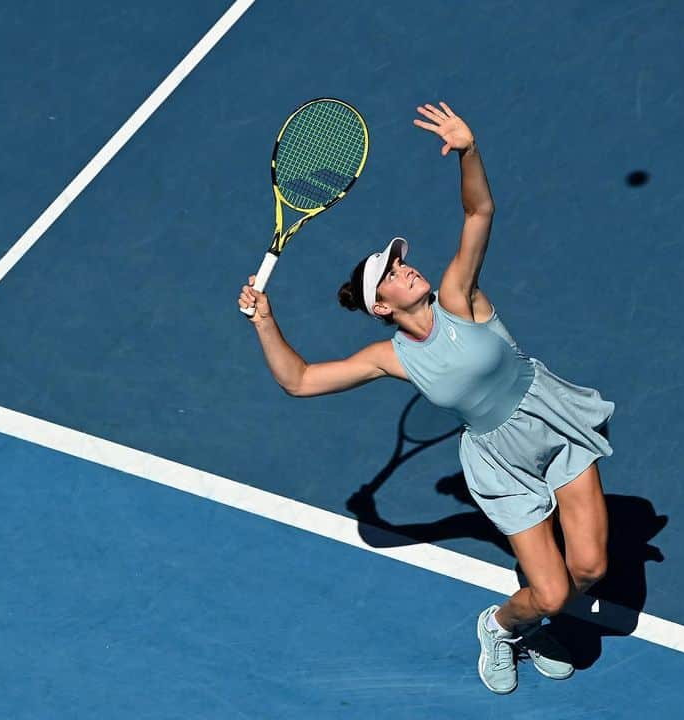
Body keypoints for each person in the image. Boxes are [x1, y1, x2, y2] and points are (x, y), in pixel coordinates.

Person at [238, 102, 614, 695]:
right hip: (499, 460)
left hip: (551, 417)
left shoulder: (459, 296)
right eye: (391, 272)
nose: (405, 267)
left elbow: (478, 210)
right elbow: (301, 380)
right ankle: (503, 626)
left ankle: (538, 620)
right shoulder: (389, 358)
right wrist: (265, 319)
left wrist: (468, 149)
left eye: (400, 261)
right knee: (551, 593)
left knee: (590, 568)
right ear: (382, 306)